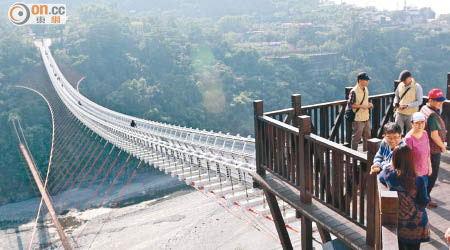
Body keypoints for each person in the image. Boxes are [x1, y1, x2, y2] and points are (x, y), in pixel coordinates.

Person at [383, 145, 430, 250]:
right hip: (416, 223)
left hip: (398, 221)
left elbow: (382, 176)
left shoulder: (388, 174)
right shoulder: (419, 180)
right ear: (411, 159)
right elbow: (423, 202)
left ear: (394, 158)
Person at [420, 88, 447, 208]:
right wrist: (443, 147)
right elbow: (434, 136)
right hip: (433, 150)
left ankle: (425, 197)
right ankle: (425, 200)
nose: (440, 103)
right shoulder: (433, 116)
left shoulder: (424, 109)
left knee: (424, 174)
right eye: (438, 101)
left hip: (424, 148)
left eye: (441, 101)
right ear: (430, 100)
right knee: (432, 176)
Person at [347, 72, 373, 151]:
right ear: (360, 80)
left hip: (366, 117)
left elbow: (364, 101)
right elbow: (350, 105)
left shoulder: (366, 89)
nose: (367, 82)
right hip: (358, 118)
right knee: (356, 138)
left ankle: (366, 154)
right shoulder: (354, 91)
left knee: (367, 137)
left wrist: (369, 105)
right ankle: (353, 155)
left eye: (367, 80)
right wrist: (362, 106)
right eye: (366, 80)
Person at [394, 70, 424, 135]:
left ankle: (408, 145)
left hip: (411, 114)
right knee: (397, 132)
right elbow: (396, 95)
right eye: (402, 80)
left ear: (410, 78)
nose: (403, 82)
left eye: (405, 80)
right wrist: (395, 102)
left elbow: (419, 101)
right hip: (400, 112)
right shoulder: (400, 85)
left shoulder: (417, 86)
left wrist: (407, 106)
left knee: (411, 133)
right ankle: (398, 145)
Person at [405, 112, 432, 182]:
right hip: (413, 174)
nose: (420, 125)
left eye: (422, 122)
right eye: (417, 123)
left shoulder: (425, 133)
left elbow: (427, 153)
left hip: (425, 171)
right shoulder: (408, 138)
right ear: (412, 124)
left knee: (424, 191)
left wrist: (429, 166)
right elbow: (407, 159)